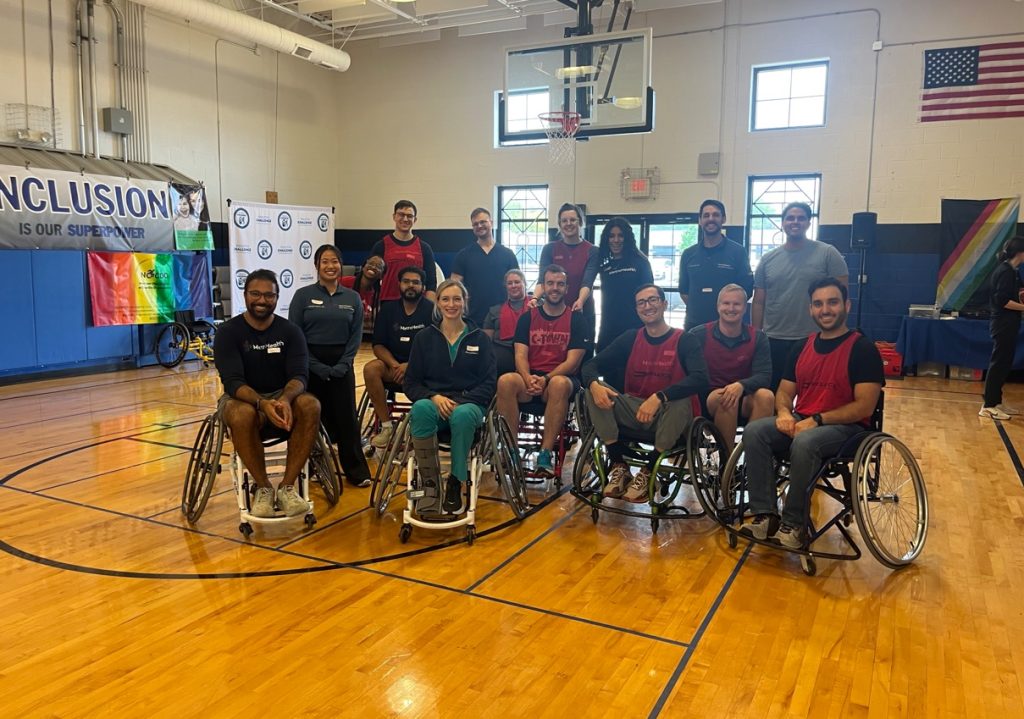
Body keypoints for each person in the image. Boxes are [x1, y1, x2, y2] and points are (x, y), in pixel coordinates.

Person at [742, 277, 883, 549]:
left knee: (806, 441)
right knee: (755, 431)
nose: (825, 309)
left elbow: (864, 406)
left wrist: (817, 420)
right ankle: (765, 515)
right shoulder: (802, 346)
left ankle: (794, 524)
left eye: (832, 302)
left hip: (847, 429)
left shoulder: (862, 349)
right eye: (818, 304)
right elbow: (784, 392)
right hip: (803, 420)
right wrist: (783, 412)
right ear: (810, 309)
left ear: (846, 305)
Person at [582, 284, 709, 502]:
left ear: (664, 304)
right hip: (636, 411)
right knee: (592, 391)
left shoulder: (684, 339)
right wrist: (593, 384)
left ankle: (650, 470)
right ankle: (618, 464)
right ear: (636, 309)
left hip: (671, 416)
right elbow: (590, 366)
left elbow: (701, 378)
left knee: (681, 400)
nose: (647, 306)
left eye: (652, 300)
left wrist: (660, 397)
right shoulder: (631, 338)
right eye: (641, 302)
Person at [213, 269, 320, 518]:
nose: (262, 300)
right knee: (241, 414)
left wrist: (283, 399)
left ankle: (287, 488)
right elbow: (232, 382)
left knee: (311, 404)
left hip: (282, 397)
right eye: (255, 294)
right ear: (245, 295)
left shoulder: (291, 331)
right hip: (242, 400)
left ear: (277, 297)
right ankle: (262, 488)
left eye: (268, 296)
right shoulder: (228, 332)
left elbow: (300, 376)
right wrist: (262, 403)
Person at [404, 279, 496, 515]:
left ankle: (456, 481)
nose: (451, 304)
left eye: (457, 299)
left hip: (469, 405)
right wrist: (433, 396)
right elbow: (411, 383)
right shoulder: (425, 338)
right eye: (445, 299)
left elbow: (488, 383)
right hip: (436, 403)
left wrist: (462, 402)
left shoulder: (479, 339)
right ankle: (431, 484)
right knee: (420, 408)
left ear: (465, 303)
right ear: (438, 302)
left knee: (463, 415)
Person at [289, 245, 373, 488]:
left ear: (340, 265)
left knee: (348, 419)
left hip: (342, 365)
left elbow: (356, 335)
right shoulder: (302, 296)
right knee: (311, 417)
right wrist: (314, 365)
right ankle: (314, 466)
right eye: (324, 261)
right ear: (316, 265)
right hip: (309, 363)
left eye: (334, 261)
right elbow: (296, 334)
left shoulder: (352, 298)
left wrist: (344, 363)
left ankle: (356, 471)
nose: (330, 266)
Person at [497, 264, 591, 477]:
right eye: (550, 283)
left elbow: (573, 362)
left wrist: (546, 378)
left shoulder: (576, 319)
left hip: (560, 379)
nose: (555, 288)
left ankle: (545, 453)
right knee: (505, 381)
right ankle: (511, 450)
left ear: (567, 289)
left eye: (560, 284)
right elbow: (520, 355)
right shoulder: (528, 317)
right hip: (530, 377)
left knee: (558, 384)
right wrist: (528, 378)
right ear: (543, 286)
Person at [752, 202, 848, 389]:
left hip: (815, 338)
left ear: (808, 223)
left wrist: (839, 335)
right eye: (790, 218)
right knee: (772, 393)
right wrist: (757, 337)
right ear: (782, 223)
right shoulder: (767, 259)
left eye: (801, 218)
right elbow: (758, 302)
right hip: (774, 339)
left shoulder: (828, 253)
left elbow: (842, 300)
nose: (795, 222)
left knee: (814, 393)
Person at [689, 284, 774, 451]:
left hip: (743, 394)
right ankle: (726, 464)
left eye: (736, 304)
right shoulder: (698, 335)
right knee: (726, 398)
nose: (731, 308)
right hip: (709, 398)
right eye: (726, 303)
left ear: (744, 308)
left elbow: (765, 376)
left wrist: (740, 385)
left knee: (767, 396)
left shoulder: (758, 337)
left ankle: (751, 460)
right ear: (718, 306)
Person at [363, 265, 435, 449]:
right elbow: (378, 345)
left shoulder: (432, 311)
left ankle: (421, 427)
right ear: (399, 284)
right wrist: (395, 365)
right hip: (393, 369)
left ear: (423, 287)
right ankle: (387, 428)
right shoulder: (387, 310)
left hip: (423, 370)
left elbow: (437, 348)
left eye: (416, 282)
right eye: (406, 281)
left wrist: (410, 365)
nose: (411, 285)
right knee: (371, 368)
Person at [678, 200, 753, 331]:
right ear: (700, 220)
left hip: (728, 328)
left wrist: (727, 310)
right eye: (706, 215)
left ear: (723, 219)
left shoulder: (738, 252)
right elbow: (684, 292)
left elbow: (746, 291)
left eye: (716, 215)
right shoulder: (688, 254)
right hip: (694, 325)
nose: (710, 219)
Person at [533, 203, 600, 334]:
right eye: (564, 221)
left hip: (582, 312)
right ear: (559, 224)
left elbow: (587, 282)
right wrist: (534, 299)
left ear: (580, 222)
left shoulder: (592, 251)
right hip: (553, 313)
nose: (569, 224)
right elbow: (542, 280)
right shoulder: (549, 249)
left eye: (573, 220)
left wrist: (580, 301)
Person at [450, 207, 519, 326]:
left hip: (502, 317)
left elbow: (517, 285)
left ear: (491, 223)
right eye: (475, 224)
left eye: (483, 222)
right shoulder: (463, 255)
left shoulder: (508, 254)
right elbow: (454, 286)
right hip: (472, 317)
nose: (479, 226)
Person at [593, 217, 654, 351]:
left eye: (620, 235)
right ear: (606, 239)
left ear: (627, 238)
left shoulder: (640, 262)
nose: (616, 240)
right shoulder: (605, 266)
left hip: (634, 328)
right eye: (611, 236)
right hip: (609, 329)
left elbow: (650, 297)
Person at [980, 236, 1024, 420]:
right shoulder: (1005, 271)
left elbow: (1015, 292)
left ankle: (996, 402)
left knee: (1004, 363)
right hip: (1002, 324)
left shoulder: (1013, 271)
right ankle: (988, 405)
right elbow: (1002, 300)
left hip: (1010, 323)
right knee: (998, 363)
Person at [370, 200, 438, 303]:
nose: (405, 219)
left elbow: (431, 283)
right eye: (401, 214)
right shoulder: (381, 246)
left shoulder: (424, 248)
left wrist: (429, 309)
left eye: (409, 216)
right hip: (388, 303)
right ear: (394, 217)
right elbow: (371, 279)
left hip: (417, 304)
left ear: (415, 219)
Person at [482, 268, 529, 376]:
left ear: (524, 284)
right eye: (509, 283)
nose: (513, 285)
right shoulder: (494, 310)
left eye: (517, 282)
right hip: (503, 349)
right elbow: (486, 341)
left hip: (530, 350)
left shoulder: (537, 306)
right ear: (506, 287)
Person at [341, 254, 385, 333]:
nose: (374, 267)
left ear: (381, 275)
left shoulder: (378, 295)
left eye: (378, 266)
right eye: (371, 264)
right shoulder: (344, 282)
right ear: (364, 266)